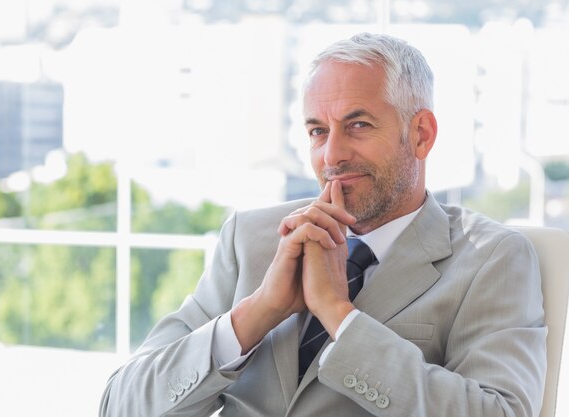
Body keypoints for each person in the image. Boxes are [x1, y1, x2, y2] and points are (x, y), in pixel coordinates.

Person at [99, 32, 546, 417]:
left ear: (422, 134)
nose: (332, 155)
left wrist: (339, 316)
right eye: (317, 131)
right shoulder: (251, 239)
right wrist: (256, 314)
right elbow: (121, 404)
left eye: (358, 125)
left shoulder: (492, 259)